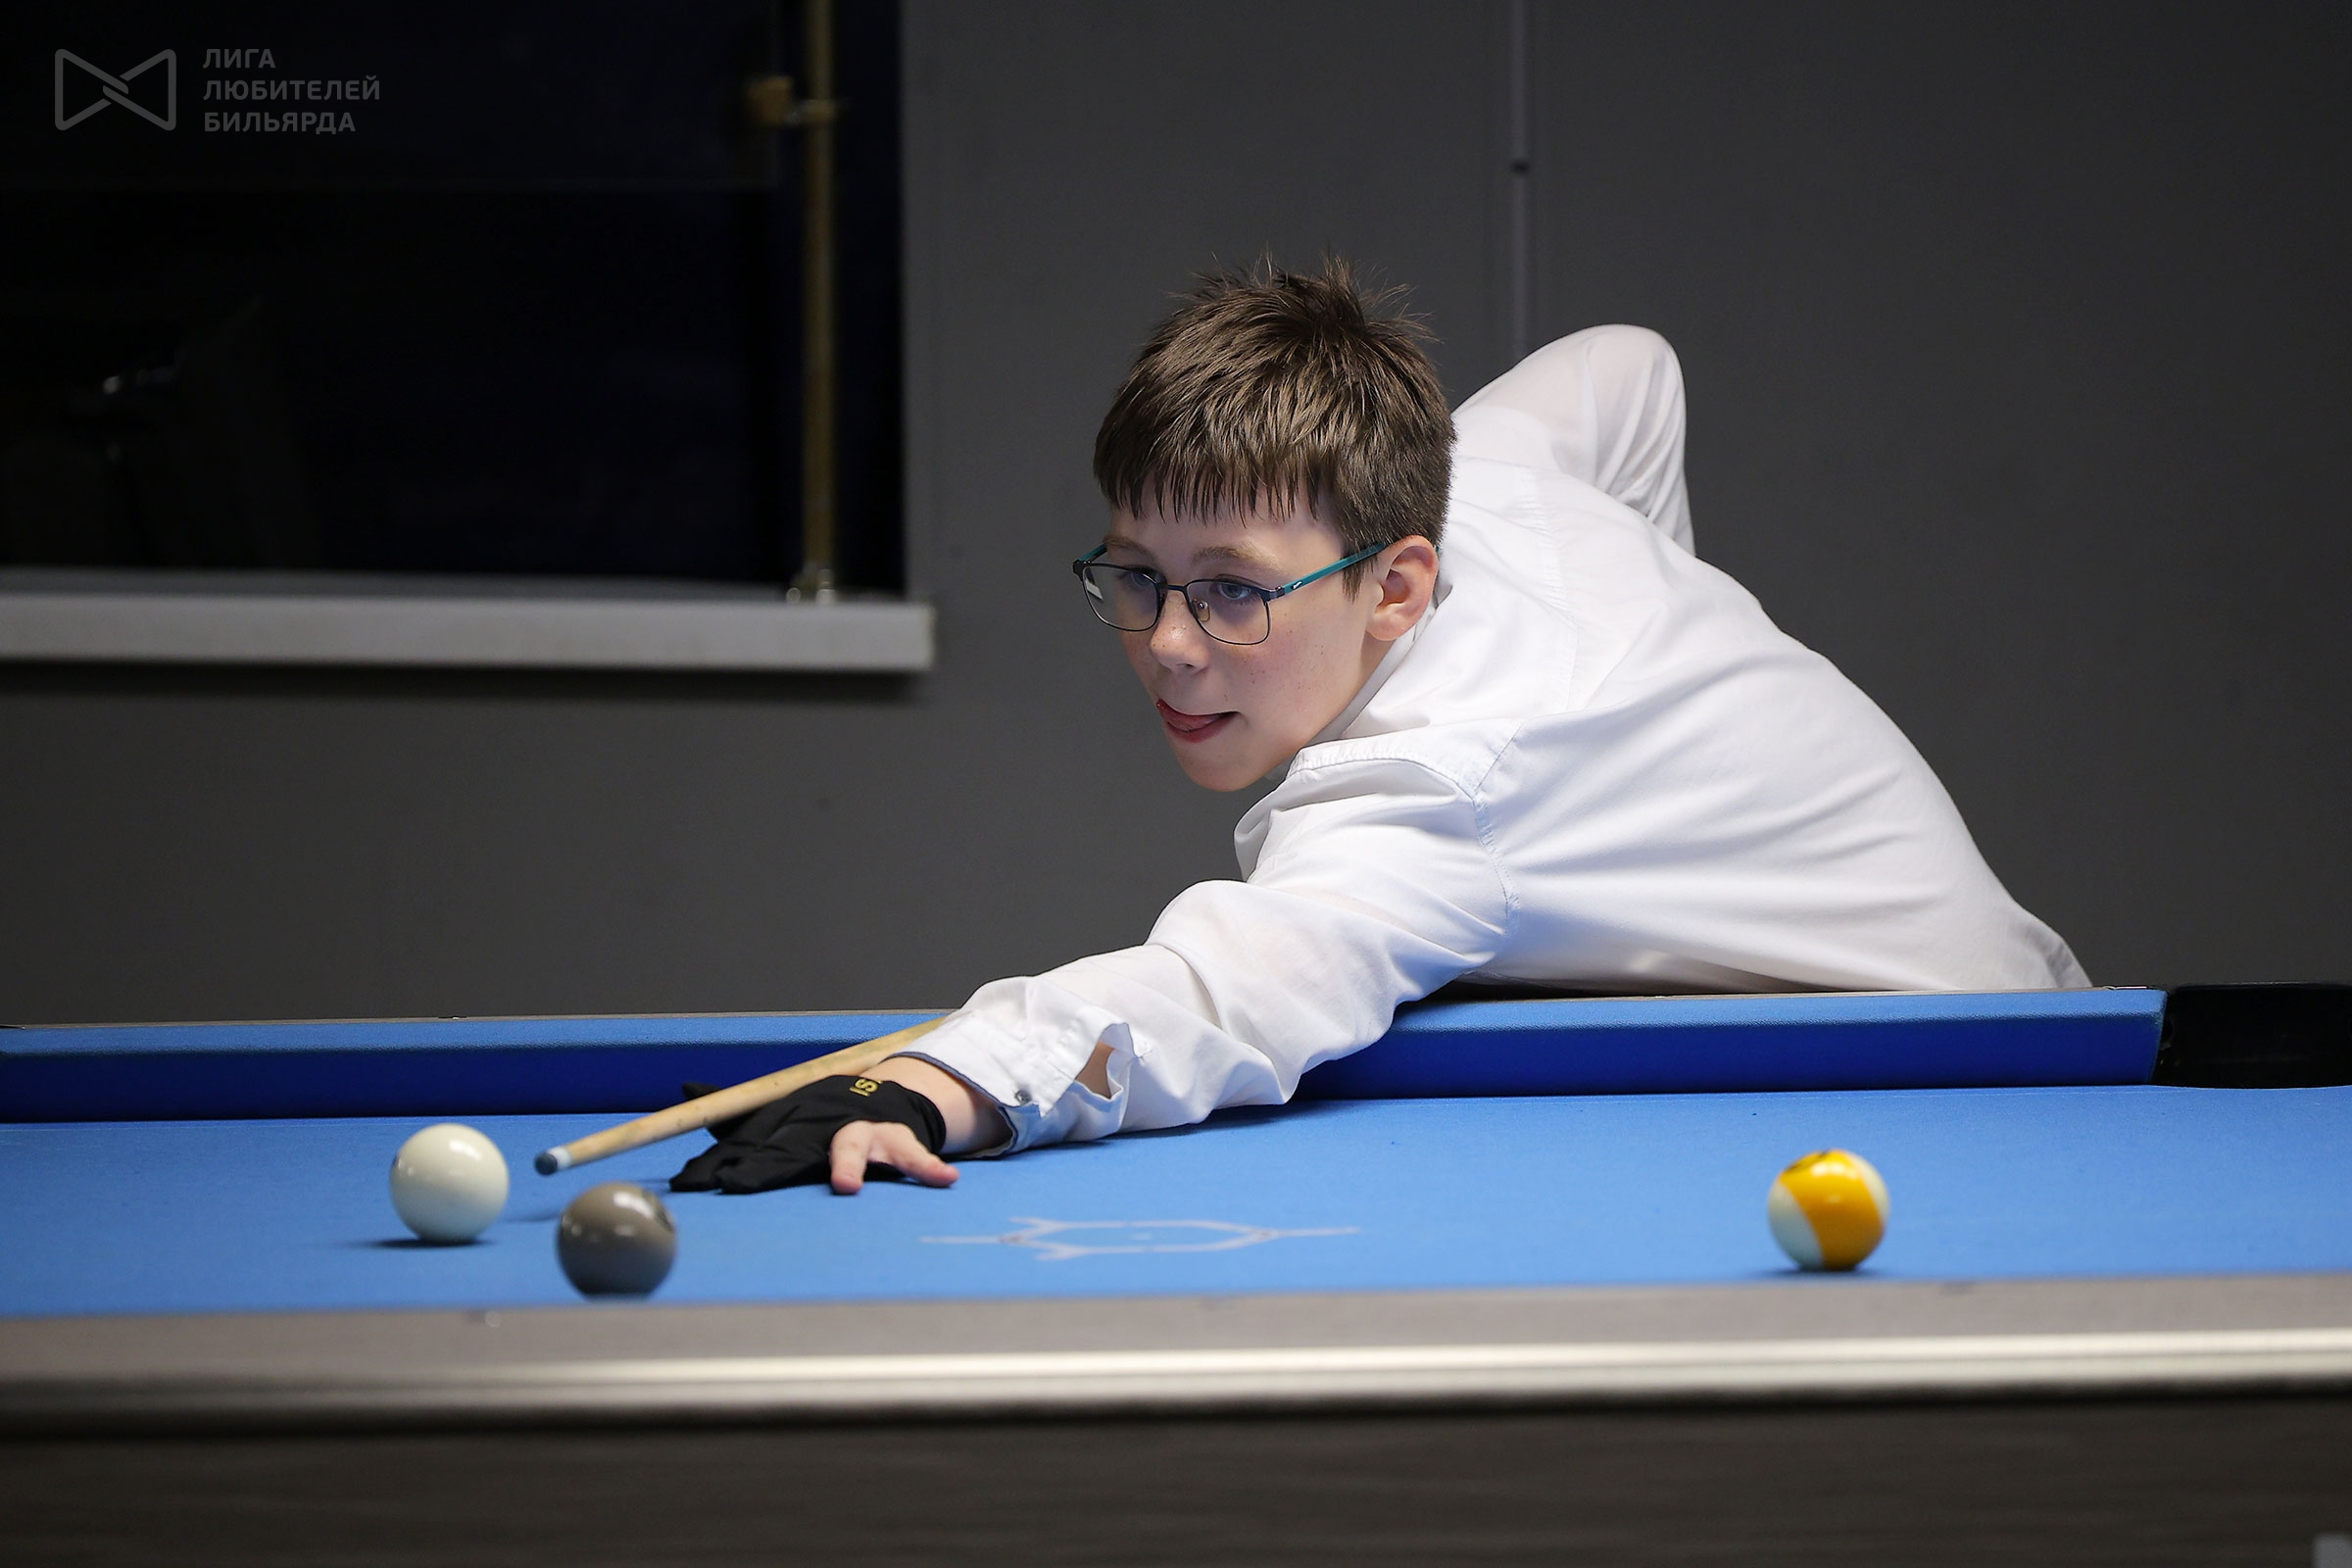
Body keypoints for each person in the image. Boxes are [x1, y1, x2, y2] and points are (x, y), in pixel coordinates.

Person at [670, 260, 2086, 1200]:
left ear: (1399, 586)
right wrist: (1650, 716)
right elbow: (1626, 370)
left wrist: (945, 1079)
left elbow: (1217, 992)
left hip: (1975, 1078)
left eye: (1233, 591)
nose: (1170, 642)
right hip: (1939, 1048)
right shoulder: (1482, 478)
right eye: (1139, 575)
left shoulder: (1436, 787)